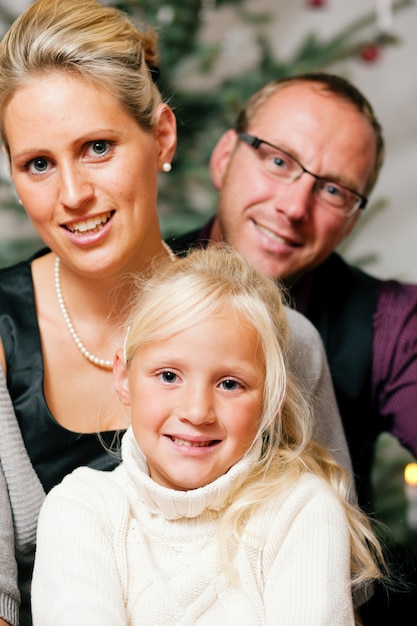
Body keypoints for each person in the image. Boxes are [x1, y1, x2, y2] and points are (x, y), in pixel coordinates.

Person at [0, 5, 351, 626]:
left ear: (162, 136)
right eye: (38, 164)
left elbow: (330, 584)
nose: (72, 194)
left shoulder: (281, 339)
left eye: (98, 147)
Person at [167, 72, 417, 622]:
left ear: (352, 220)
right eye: (279, 160)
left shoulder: (388, 321)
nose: (294, 206)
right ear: (224, 157)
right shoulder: (142, 283)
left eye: (333, 189)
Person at [31, 244, 388, 625]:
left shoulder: (301, 512)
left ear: (271, 398)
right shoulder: (82, 509)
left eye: (230, 384)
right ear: (123, 378)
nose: (197, 411)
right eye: (169, 376)